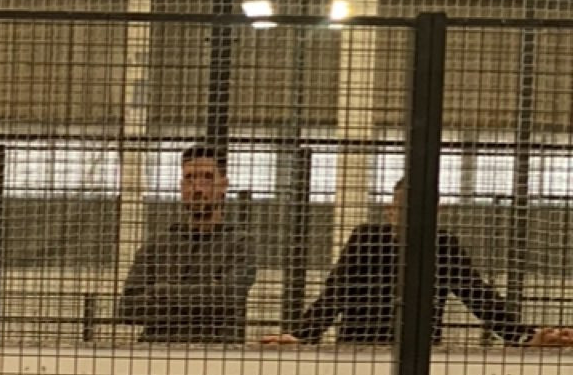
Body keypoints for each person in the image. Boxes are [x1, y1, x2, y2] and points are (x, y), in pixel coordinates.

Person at [285, 179, 573, 348]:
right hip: (358, 348)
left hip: (421, 354)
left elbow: (478, 296)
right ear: (390, 212)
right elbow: (335, 293)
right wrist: (301, 336)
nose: (412, 219)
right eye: (404, 210)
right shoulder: (366, 239)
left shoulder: (443, 246)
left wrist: (525, 336)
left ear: (436, 212)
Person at [117, 147, 263, 346]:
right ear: (181, 186)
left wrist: (159, 292)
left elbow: (229, 299)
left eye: (207, 178)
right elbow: (127, 309)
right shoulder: (157, 244)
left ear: (224, 185)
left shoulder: (240, 243)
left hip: (217, 352)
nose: (197, 189)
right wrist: (207, 293)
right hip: (156, 351)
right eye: (189, 178)